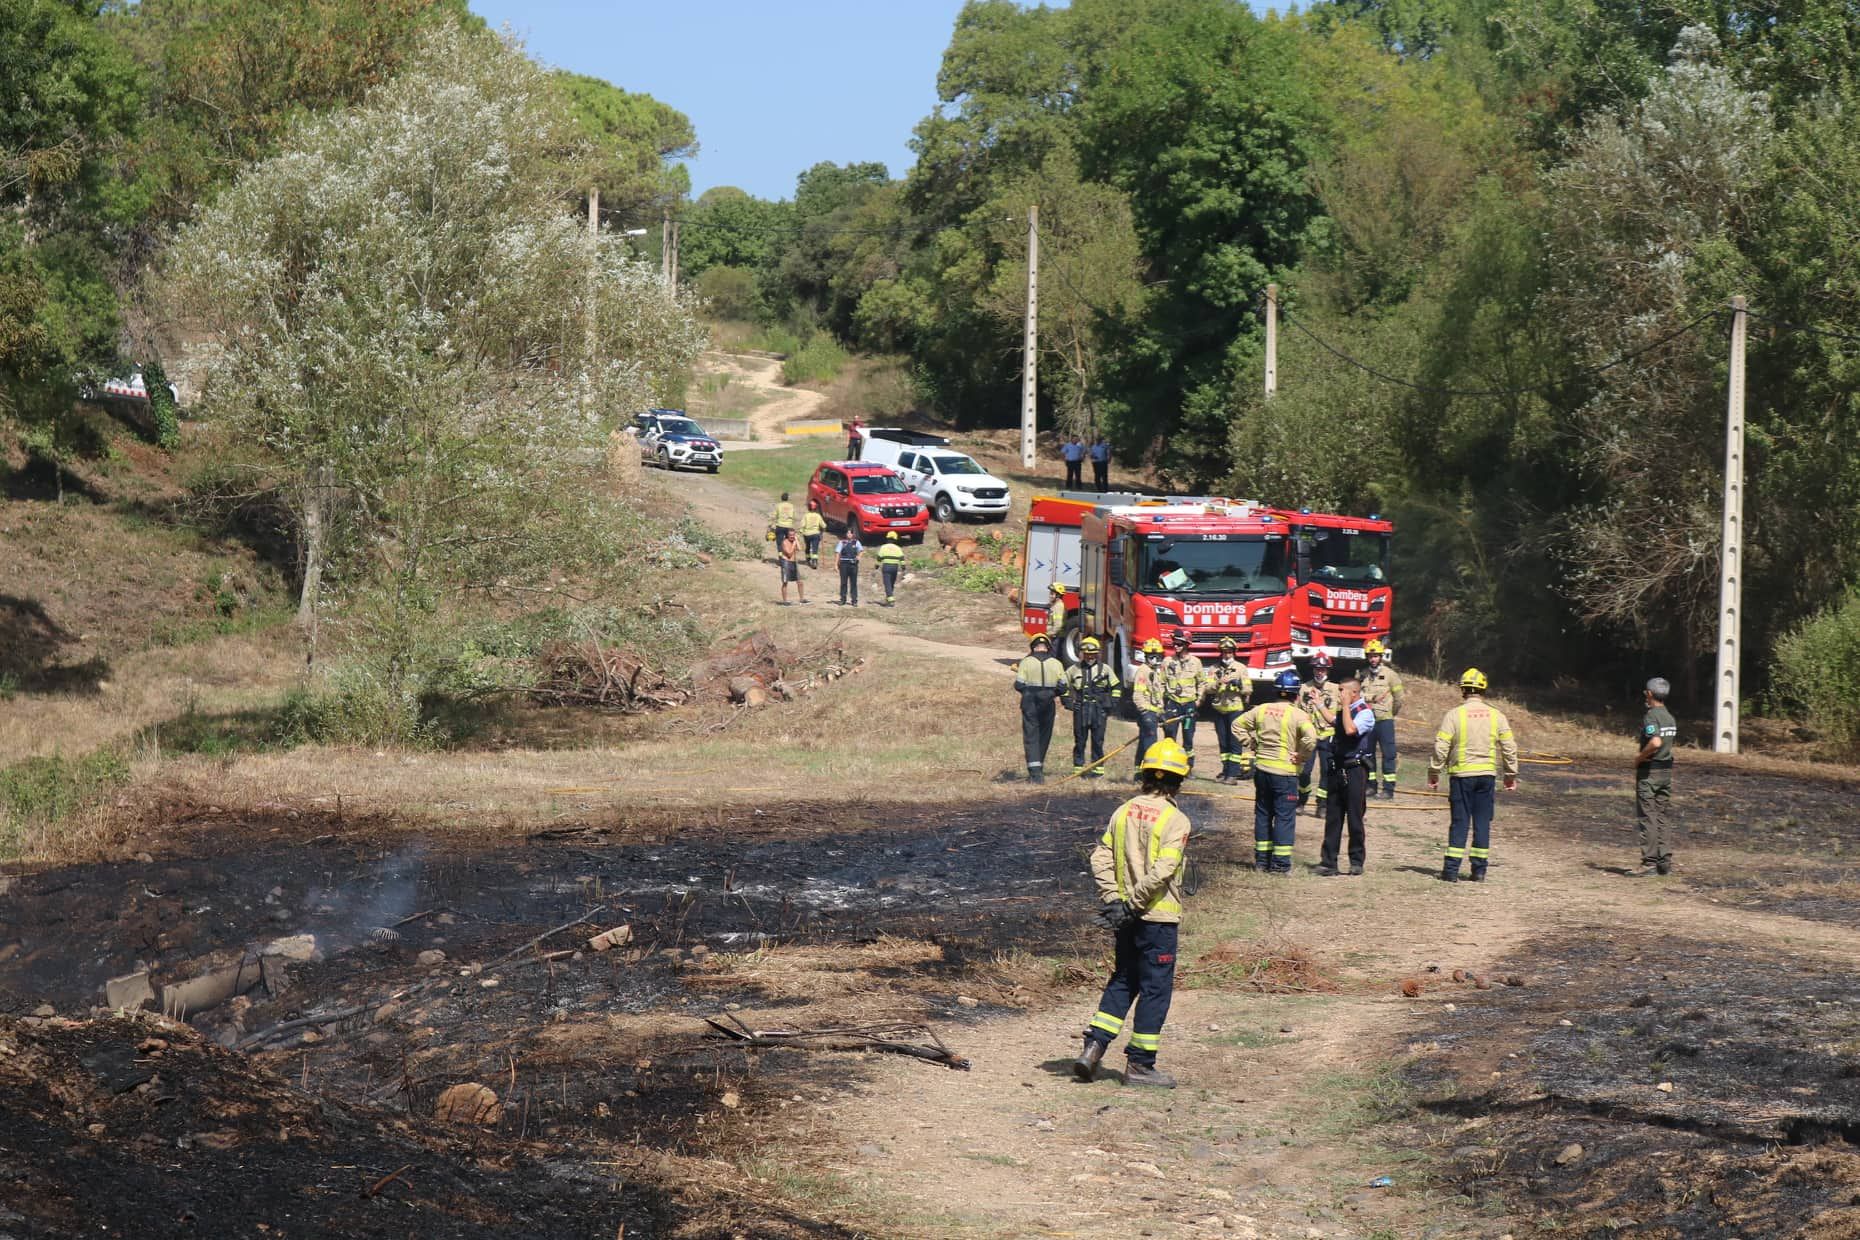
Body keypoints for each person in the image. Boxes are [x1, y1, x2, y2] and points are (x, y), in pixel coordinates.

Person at [1074, 738, 1192, 1089]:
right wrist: (1131, 904)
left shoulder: (1123, 810)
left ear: (1144, 775)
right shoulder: (1176, 819)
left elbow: (1099, 857)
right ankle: (1140, 1065)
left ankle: (1093, 1048)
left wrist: (1115, 901)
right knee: (1155, 990)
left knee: (1124, 979)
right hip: (1156, 920)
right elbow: (1162, 872)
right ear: (1178, 781)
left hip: (1126, 919)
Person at [1427, 668, 1519, 883]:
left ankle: (1451, 871)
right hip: (1486, 776)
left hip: (1461, 776)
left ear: (1463, 690)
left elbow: (1441, 747)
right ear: (1483, 690)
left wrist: (1434, 771)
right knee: (1482, 822)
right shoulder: (1497, 715)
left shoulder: (1454, 715)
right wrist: (1510, 774)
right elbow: (1509, 747)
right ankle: (1479, 871)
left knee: (1460, 822)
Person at [1239, 669, 1319, 874]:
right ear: (1295, 694)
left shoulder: (1261, 709)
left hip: (1262, 771)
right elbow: (1311, 739)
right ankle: (1280, 865)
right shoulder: (1299, 714)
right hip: (1285, 775)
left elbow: (1236, 725)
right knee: (1284, 817)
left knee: (1263, 814)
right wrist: (1301, 756)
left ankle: (1261, 862)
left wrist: (1251, 742)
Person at [1316, 676, 1375, 876]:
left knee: (1355, 817)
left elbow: (1350, 730)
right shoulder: (1345, 711)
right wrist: (1318, 705)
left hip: (1355, 770)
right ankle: (1328, 862)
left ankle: (1356, 861)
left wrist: (1347, 707)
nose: (1338, 693)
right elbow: (1336, 722)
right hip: (1337, 768)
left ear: (1353, 693)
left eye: (1342, 690)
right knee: (1333, 816)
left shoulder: (1365, 713)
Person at [1631, 676, 1679, 877]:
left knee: (1648, 816)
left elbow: (1656, 742)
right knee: (1662, 815)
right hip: (1666, 771)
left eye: (1645, 692)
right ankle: (1664, 862)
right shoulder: (1670, 717)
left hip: (1650, 772)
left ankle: (1648, 862)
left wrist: (1639, 758)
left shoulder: (1651, 716)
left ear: (1649, 694)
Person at [1062, 636, 1121, 777]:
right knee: (1080, 739)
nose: (1089, 657)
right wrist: (1068, 701)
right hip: (1081, 709)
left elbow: (1116, 686)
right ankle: (1078, 769)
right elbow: (1062, 685)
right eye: (1086, 654)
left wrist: (1111, 703)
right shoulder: (1073, 669)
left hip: (1099, 710)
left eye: (1092, 654)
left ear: (1097, 654)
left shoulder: (1105, 669)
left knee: (1098, 740)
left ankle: (1097, 770)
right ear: (1082, 653)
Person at [1015, 634, 1066, 783]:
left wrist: (1029, 692)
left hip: (1030, 703)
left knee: (1031, 737)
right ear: (1048, 647)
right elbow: (1063, 686)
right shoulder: (1057, 664)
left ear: (1033, 647)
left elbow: (1019, 684)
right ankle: (1039, 767)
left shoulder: (1026, 662)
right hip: (1048, 703)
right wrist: (1051, 693)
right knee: (1044, 736)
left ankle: (1035, 774)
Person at [1359, 638, 1405, 800]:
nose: (1373, 659)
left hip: (1385, 720)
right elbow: (1357, 696)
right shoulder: (1362, 675)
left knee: (1388, 754)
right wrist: (1371, 698)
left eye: (1376, 656)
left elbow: (1399, 698)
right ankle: (1371, 786)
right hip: (1368, 722)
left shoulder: (1391, 675)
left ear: (1381, 656)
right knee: (1367, 754)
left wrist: (1391, 713)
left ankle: (1388, 789)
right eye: (1370, 656)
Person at [1297, 655, 1341, 816]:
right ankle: (1301, 800)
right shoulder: (1303, 688)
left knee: (1327, 772)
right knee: (1303, 771)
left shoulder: (1336, 690)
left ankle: (1322, 804)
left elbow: (1343, 713)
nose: (1319, 672)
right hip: (1309, 736)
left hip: (1328, 737)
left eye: (1322, 669)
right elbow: (1296, 711)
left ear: (1327, 670)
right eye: (1317, 668)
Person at [1207, 637, 1250, 783]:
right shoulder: (1214, 669)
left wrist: (1239, 685)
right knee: (1223, 742)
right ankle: (1225, 771)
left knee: (1234, 742)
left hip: (1235, 710)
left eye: (1229, 652)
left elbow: (1249, 689)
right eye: (1224, 652)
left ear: (1234, 653)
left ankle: (1233, 774)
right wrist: (1218, 683)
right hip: (1219, 709)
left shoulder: (1241, 668)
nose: (1227, 655)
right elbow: (1207, 688)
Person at [1160, 631, 1205, 771]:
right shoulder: (1167, 661)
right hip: (1173, 704)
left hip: (1189, 706)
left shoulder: (1196, 662)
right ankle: (1169, 766)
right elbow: (1161, 683)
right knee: (1169, 737)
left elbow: (1202, 683)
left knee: (1188, 739)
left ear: (1186, 645)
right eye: (1174, 643)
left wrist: (1198, 701)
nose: (1176, 646)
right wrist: (1161, 705)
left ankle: (1187, 768)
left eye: (1179, 643)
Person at [1131, 639, 1167, 780]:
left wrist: (1160, 711)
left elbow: (1157, 695)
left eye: (1158, 656)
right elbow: (1138, 696)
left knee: (1144, 743)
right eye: (1152, 656)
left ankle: (1139, 773)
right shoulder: (1143, 671)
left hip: (1153, 713)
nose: (1155, 659)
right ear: (1146, 656)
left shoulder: (1155, 671)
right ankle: (1149, 775)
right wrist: (1146, 712)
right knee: (1150, 745)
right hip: (1147, 715)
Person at [874, 531, 907, 605]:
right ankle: (889, 598)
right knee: (891, 583)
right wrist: (903, 568)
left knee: (887, 583)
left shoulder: (883, 547)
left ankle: (891, 599)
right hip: (895, 567)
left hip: (886, 567)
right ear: (895, 539)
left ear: (887, 538)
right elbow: (902, 559)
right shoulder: (898, 548)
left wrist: (876, 566)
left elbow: (879, 558)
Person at [777, 528, 807, 605]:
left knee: (800, 582)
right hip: (786, 562)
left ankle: (802, 599)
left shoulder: (794, 540)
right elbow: (789, 554)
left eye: (793, 535)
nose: (792, 536)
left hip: (794, 562)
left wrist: (796, 540)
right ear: (787, 535)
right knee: (785, 582)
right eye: (790, 535)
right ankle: (785, 601)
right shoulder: (784, 542)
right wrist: (794, 544)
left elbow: (800, 549)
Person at [834, 529, 863, 606]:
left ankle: (854, 600)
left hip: (853, 564)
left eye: (850, 533)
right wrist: (836, 564)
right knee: (843, 582)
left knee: (853, 583)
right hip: (844, 564)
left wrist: (859, 556)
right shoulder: (842, 542)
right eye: (848, 533)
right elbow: (837, 553)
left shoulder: (856, 542)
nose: (849, 534)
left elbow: (861, 551)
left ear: (853, 534)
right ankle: (843, 599)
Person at [799, 500, 827, 569]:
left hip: (807, 534)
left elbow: (802, 525)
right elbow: (824, 525)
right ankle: (814, 562)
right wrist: (822, 529)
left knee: (808, 547)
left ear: (809, 507)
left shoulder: (806, 515)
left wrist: (801, 531)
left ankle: (808, 560)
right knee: (815, 548)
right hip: (816, 534)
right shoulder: (818, 516)